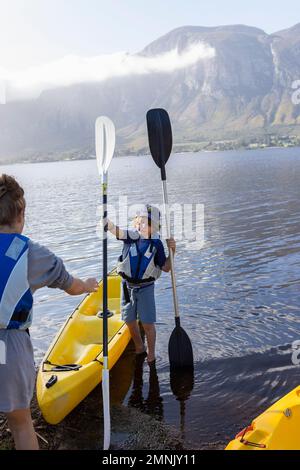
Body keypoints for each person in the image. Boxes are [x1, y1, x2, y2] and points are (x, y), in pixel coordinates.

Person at [0, 174, 98, 450]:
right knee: (20, 423)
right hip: (9, 344)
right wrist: (88, 285)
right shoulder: (31, 253)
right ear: (21, 214)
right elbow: (71, 285)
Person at [107, 204, 176, 365]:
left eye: (147, 223)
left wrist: (173, 251)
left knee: (147, 324)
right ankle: (139, 347)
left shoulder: (156, 244)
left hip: (145, 288)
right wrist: (108, 224)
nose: (142, 225)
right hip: (126, 286)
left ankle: (151, 355)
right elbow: (117, 231)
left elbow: (165, 268)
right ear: (136, 222)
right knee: (129, 320)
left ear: (155, 228)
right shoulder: (131, 236)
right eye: (140, 221)